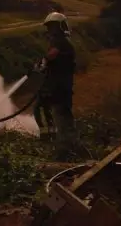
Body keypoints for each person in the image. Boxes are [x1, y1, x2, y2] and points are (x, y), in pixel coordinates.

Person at [37, 12, 77, 159]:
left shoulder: (61, 43)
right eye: (49, 28)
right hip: (58, 89)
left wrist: (43, 60)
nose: (50, 31)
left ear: (60, 27)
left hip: (61, 90)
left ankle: (65, 150)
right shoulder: (59, 43)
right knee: (54, 115)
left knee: (62, 118)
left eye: (53, 27)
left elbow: (52, 54)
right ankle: (61, 145)